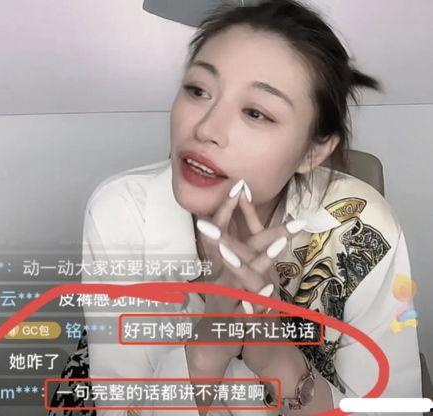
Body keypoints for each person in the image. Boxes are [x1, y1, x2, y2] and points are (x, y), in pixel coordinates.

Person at [79, 0, 423, 414]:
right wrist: (208, 349)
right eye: (198, 90)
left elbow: (391, 407)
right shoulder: (123, 213)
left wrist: (273, 355)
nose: (205, 128)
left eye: (256, 113)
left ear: (313, 151)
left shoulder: (361, 228)